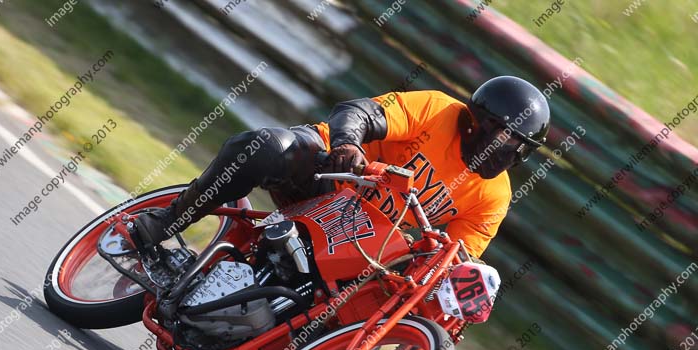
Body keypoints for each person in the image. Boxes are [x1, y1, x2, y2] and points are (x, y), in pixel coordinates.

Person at [130, 75, 550, 259]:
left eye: (518, 144)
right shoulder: (439, 110)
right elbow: (361, 112)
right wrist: (349, 144)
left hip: (362, 240)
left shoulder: (494, 197)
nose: (506, 148)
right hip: (325, 176)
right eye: (502, 133)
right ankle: (166, 221)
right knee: (264, 146)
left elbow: (456, 258)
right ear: (475, 120)